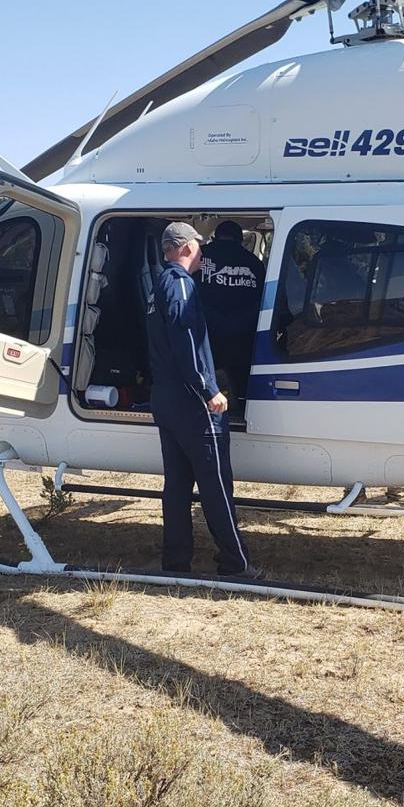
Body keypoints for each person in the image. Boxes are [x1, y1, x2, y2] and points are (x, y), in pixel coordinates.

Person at [146, 221, 255, 577]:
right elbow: (187, 340)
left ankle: (176, 562)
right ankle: (235, 562)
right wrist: (210, 390)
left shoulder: (159, 285)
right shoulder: (181, 284)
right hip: (192, 402)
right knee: (216, 483)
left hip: (166, 399)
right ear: (187, 247)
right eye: (198, 246)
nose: (202, 252)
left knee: (177, 487)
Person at [197, 220, 266, 407]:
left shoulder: (201, 257)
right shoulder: (254, 264)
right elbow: (263, 302)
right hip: (242, 340)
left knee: (205, 389)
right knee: (240, 388)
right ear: (240, 240)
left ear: (216, 237)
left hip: (207, 338)